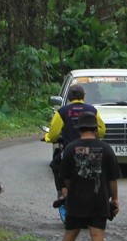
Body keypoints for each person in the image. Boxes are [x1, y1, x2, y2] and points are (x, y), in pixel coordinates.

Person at [58, 112, 121, 241]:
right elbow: (113, 179)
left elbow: (65, 177)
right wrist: (115, 199)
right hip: (99, 198)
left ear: (79, 129)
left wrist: (71, 190)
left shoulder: (70, 148)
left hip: (76, 198)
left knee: (71, 233)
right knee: (97, 234)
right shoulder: (106, 149)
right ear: (95, 129)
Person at [44, 85, 106, 214]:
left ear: (69, 97)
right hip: (90, 150)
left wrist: (47, 137)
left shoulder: (62, 111)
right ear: (83, 96)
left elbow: (54, 134)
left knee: (55, 165)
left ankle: (64, 192)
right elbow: (101, 131)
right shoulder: (92, 110)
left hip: (70, 151)